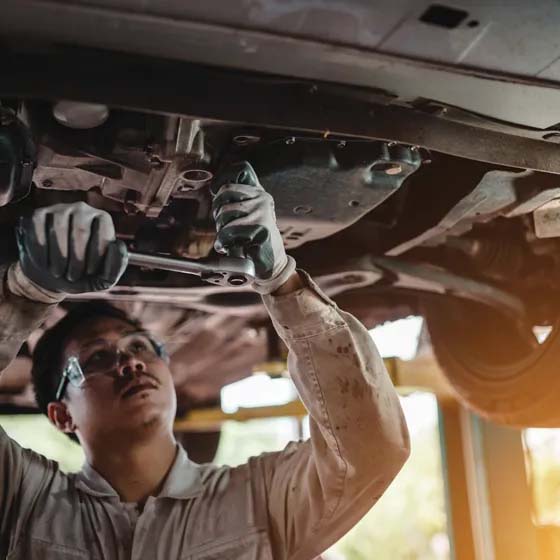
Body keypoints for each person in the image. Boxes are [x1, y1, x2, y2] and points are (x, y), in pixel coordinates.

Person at [0, 163, 410, 559]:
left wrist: (283, 281)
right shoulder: (24, 503)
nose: (130, 364)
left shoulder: (261, 500)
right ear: (60, 415)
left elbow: (371, 448)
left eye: (141, 346)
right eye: (97, 358)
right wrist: (25, 294)